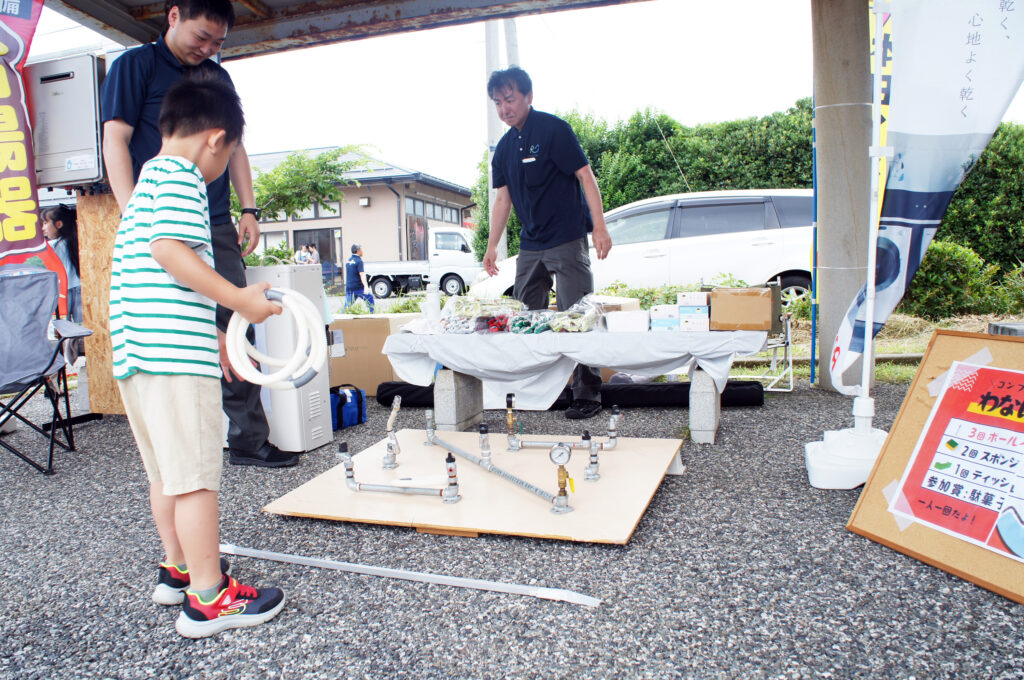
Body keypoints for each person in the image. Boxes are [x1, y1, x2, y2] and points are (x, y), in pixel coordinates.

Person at [109, 73, 286, 638]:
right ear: (216, 140)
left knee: (167, 475)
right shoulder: (185, 179)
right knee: (196, 480)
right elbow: (171, 252)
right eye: (229, 153)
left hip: (140, 353)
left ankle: (179, 569)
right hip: (172, 361)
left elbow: (161, 281)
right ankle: (210, 599)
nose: (223, 168)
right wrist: (239, 302)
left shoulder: (145, 184)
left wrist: (215, 336)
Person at [101, 0, 297, 468]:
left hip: (214, 217)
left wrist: (247, 208)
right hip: (159, 213)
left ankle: (247, 439)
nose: (207, 49)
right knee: (183, 318)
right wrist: (134, 214)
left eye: (217, 43)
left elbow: (236, 146)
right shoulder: (135, 66)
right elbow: (115, 139)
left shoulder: (217, 76)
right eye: (201, 37)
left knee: (232, 318)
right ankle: (180, 438)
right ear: (173, 17)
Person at [482, 66, 613, 420]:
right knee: (527, 316)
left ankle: (587, 393)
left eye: (509, 99)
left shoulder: (554, 130)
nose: (504, 108)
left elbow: (586, 176)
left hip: (567, 237)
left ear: (528, 96)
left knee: (578, 315)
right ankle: (539, 387)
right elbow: (503, 201)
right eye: (498, 103)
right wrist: (492, 246)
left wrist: (599, 227)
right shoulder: (504, 149)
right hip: (530, 244)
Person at [42, 204, 82, 324]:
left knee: (63, 326)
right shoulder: (76, 241)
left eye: (45, 223)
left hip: (63, 290)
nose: (43, 228)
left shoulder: (53, 246)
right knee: (83, 325)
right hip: (79, 287)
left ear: (59, 224)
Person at [345, 244, 374, 311]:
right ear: (358, 251)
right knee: (370, 299)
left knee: (347, 306)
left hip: (349, 287)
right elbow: (362, 275)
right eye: (361, 249)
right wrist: (365, 286)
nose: (362, 251)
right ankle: (372, 315)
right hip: (358, 287)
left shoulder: (348, 261)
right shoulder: (359, 261)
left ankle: (341, 317)